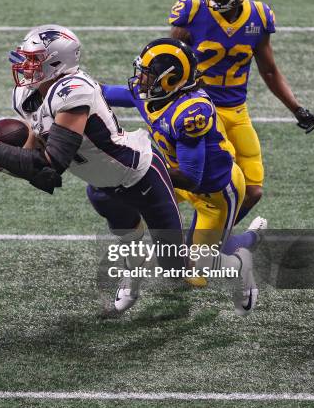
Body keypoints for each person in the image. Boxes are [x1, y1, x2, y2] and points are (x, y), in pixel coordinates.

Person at [0, 24, 187, 313]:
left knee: (176, 267)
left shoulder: (72, 91)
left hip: (142, 177)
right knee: (129, 238)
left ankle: (239, 256)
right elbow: (40, 172)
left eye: (33, 60)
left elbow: (52, 165)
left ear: (56, 63)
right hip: (103, 187)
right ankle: (134, 270)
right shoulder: (27, 97)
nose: (24, 66)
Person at [102, 37, 267, 313]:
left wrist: (141, 169)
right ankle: (133, 270)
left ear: (171, 80)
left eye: (149, 75)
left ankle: (241, 261)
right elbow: (103, 93)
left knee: (194, 270)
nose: (141, 81)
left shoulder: (191, 112)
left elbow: (192, 176)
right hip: (174, 179)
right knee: (125, 209)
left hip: (215, 192)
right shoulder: (150, 95)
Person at [168, 0, 314, 224]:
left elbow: (269, 71)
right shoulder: (191, 12)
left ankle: (215, 241)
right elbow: (171, 64)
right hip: (200, 110)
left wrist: (297, 108)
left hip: (237, 113)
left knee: (252, 191)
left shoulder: (259, 17)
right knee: (208, 188)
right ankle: (181, 242)